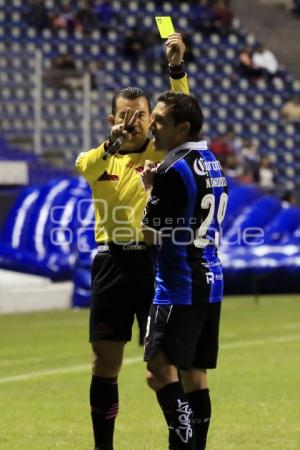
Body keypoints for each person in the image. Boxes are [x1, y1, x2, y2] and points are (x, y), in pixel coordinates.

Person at [75, 33, 189, 450]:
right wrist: (113, 143)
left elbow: (185, 112)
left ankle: (181, 442)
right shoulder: (98, 158)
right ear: (111, 121)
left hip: (155, 263)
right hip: (111, 264)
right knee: (105, 363)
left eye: (140, 115)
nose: (133, 121)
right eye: (125, 115)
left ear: (152, 119)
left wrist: (176, 69)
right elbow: (84, 166)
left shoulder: (165, 154)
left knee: (161, 366)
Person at [141, 91, 228, 449]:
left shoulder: (173, 170)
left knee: (158, 371)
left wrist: (149, 189)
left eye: (160, 121)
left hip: (178, 284)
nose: (152, 126)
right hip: (211, 281)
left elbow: (149, 236)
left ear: (183, 129)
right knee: (194, 374)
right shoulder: (213, 161)